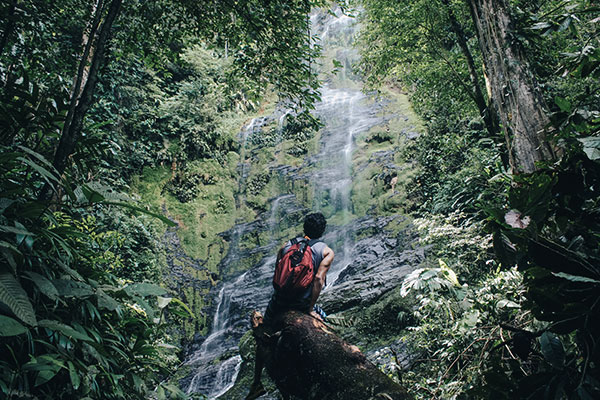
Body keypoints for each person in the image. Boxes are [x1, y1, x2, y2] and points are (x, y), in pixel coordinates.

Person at [245, 212, 334, 400]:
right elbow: (318, 279)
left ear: (304, 228)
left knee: (263, 333)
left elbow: (278, 271)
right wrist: (310, 309)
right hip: (301, 303)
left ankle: (256, 382)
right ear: (323, 230)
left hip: (279, 301)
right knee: (323, 319)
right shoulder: (326, 252)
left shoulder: (287, 245)